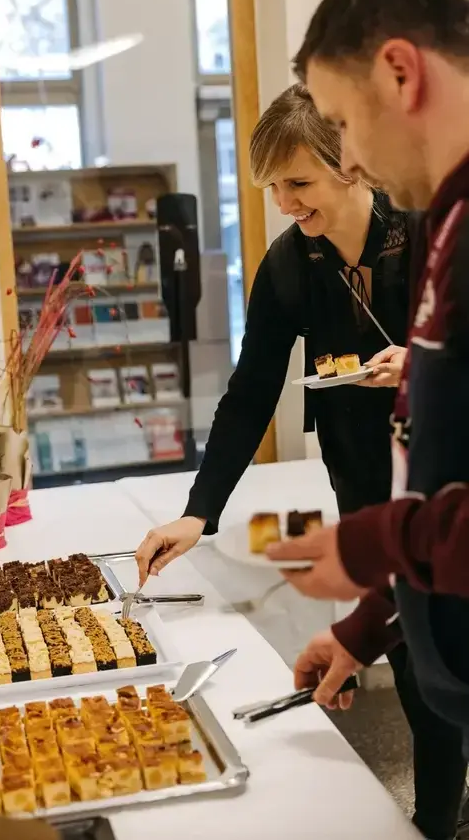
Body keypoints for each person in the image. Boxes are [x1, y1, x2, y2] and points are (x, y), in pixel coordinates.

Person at [135, 83, 467, 840]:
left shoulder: (426, 236)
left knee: (442, 653)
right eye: (272, 187)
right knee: (410, 657)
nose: (284, 201)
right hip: (358, 477)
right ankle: (435, 820)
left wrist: (416, 362)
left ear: (348, 164)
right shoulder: (288, 266)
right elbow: (250, 394)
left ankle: (436, 817)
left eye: (299, 182)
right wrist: (199, 511)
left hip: (444, 474)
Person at [263, 0, 469, 789]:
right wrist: (368, 627)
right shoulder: (450, 230)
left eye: (343, 125)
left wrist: (367, 542)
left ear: (400, 72)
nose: (348, 160)